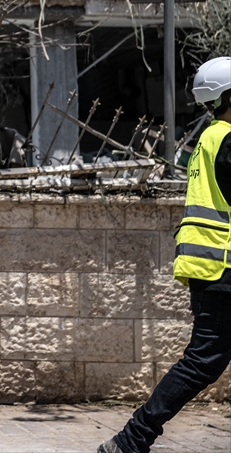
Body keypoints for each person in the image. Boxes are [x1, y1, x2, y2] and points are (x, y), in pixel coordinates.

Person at [99, 56, 231, 453]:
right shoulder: (225, 138)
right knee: (202, 363)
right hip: (222, 269)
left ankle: (131, 439)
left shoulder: (210, 137)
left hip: (213, 268)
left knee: (203, 362)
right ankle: (131, 439)